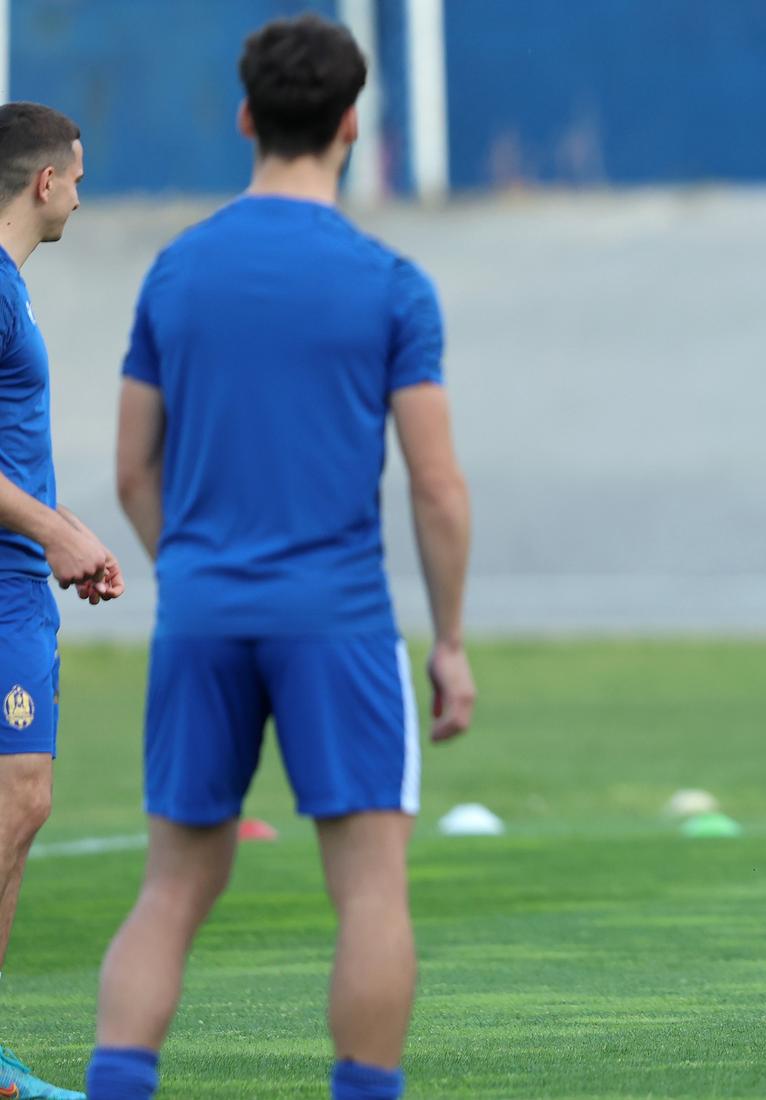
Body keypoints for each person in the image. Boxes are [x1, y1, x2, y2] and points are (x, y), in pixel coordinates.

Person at [85, 14, 474, 1099]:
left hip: (202, 610)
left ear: (247, 116)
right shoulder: (389, 282)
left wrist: (197, 571)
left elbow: (130, 468)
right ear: (352, 123)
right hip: (336, 617)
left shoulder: (176, 269)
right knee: (367, 891)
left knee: (173, 883)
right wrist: (447, 640)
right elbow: (437, 486)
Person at [0, 101, 125, 1100]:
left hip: (20, 579)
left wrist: (62, 531)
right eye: (76, 174)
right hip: (1, 586)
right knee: (17, 797)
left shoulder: (10, 290)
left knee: (21, 798)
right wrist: (51, 531)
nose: (82, 192)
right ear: (43, 182)